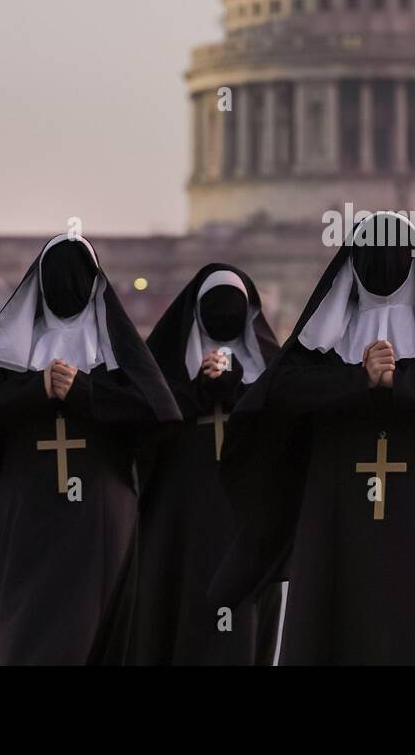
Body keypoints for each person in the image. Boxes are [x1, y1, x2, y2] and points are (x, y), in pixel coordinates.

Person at [212, 212, 415, 664]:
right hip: (338, 502)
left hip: (412, 504)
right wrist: (359, 381)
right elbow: (278, 393)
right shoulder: (322, 342)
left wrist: (397, 382)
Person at [0, 234, 179, 664]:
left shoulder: (111, 349)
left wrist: (82, 391)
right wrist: (35, 388)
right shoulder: (11, 349)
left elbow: (157, 411)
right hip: (29, 504)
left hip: (89, 509)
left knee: (82, 623)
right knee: (28, 621)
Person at [97, 264, 282, 664]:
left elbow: (283, 437)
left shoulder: (272, 375)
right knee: (174, 615)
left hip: (244, 521)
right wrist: (198, 392)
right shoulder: (166, 372)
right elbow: (145, 432)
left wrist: (238, 394)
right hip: (178, 520)